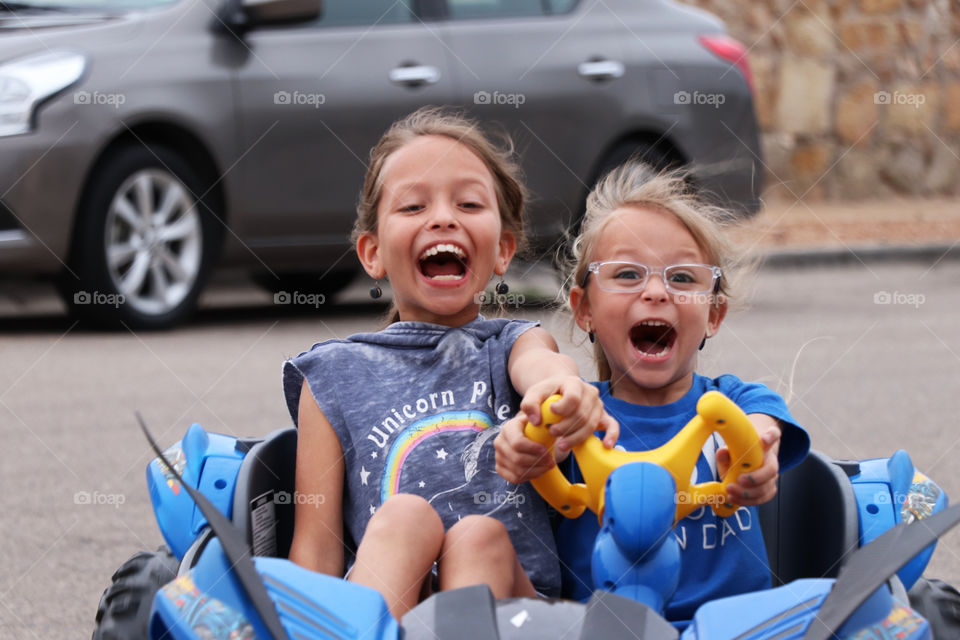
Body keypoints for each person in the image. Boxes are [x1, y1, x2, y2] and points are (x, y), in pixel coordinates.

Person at [281, 107, 618, 621]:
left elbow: (546, 374)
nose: (443, 217)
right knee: (404, 519)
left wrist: (561, 397)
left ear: (503, 250)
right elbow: (316, 553)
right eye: (413, 206)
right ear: (372, 254)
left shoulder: (512, 344)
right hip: (386, 609)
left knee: (479, 535)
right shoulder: (332, 375)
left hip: (515, 615)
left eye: (468, 203)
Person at [495, 163, 810, 622]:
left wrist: (756, 458)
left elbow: (762, 433)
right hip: (606, 627)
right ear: (584, 309)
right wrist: (521, 447)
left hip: (737, 627)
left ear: (714, 313)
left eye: (683, 278)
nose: (657, 291)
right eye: (627, 275)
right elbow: (530, 433)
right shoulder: (578, 412)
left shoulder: (738, 403)